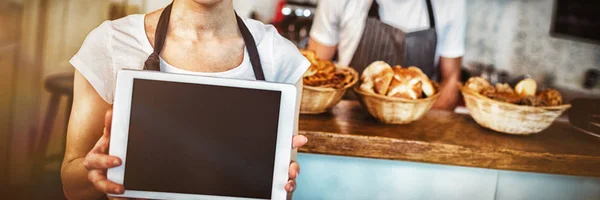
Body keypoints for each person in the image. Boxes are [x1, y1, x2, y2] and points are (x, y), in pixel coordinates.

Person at [60, 0, 310, 199]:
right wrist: (101, 173)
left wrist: (281, 182)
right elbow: (72, 188)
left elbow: (282, 192)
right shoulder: (110, 43)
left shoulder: (280, 57)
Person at [308, 0, 466, 110]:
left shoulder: (450, 3)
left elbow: (451, 82)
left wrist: (416, 124)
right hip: (347, 119)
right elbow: (314, 72)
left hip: (418, 127)